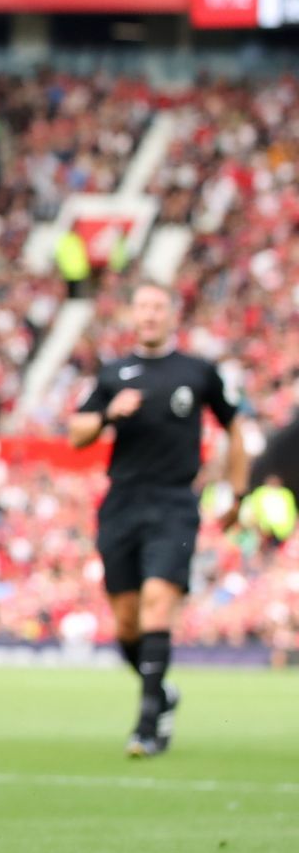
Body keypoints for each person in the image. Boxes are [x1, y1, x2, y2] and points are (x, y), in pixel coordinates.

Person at [68, 282, 246, 757]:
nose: (148, 315)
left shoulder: (198, 371)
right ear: (133, 315)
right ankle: (163, 693)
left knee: (156, 605)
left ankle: (146, 726)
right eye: (142, 307)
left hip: (174, 503)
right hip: (122, 501)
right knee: (127, 623)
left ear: (172, 315)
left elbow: (235, 426)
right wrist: (108, 413)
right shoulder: (113, 373)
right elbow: (75, 432)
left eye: (157, 307)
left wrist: (238, 492)